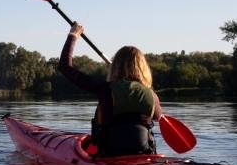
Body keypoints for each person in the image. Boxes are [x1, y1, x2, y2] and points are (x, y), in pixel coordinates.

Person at [58, 23, 162, 157]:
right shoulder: (152, 96)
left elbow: (65, 67)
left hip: (110, 155)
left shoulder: (105, 89)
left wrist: (73, 35)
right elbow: (159, 117)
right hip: (145, 154)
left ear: (115, 66)